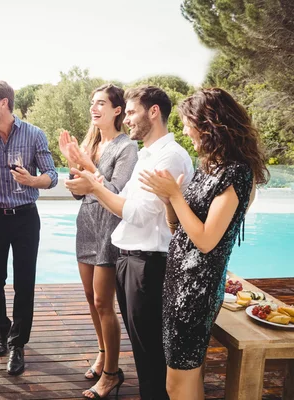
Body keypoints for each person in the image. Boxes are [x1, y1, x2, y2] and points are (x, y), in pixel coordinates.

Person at [65, 86, 194, 400]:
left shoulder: (170, 157)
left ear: (153, 112)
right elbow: (123, 199)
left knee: (151, 358)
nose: (129, 119)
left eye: (133, 111)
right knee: (143, 355)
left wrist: (93, 186)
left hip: (148, 263)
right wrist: (92, 181)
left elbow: (136, 213)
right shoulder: (149, 154)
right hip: (130, 260)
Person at [139, 88, 268, 400]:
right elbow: (177, 228)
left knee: (176, 384)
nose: (184, 129)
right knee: (189, 377)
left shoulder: (237, 173)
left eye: (188, 123)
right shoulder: (210, 165)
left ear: (209, 124)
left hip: (196, 291)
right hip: (179, 283)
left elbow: (207, 240)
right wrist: (168, 201)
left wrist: (175, 195)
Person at [0, 80, 58, 376]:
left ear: (3, 103)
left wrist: (32, 181)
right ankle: (1, 330)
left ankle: (18, 343)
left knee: (25, 282)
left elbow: (51, 175)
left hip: (25, 217)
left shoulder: (34, 134)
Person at [59, 84, 137, 398]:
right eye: (92, 103)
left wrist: (86, 165)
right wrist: (73, 168)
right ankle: (103, 353)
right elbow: (81, 191)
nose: (94, 108)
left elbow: (116, 190)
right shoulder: (91, 143)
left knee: (105, 302)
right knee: (92, 300)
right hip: (87, 223)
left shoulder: (127, 147)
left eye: (101, 103)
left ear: (118, 110)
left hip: (111, 228)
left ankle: (111, 374)